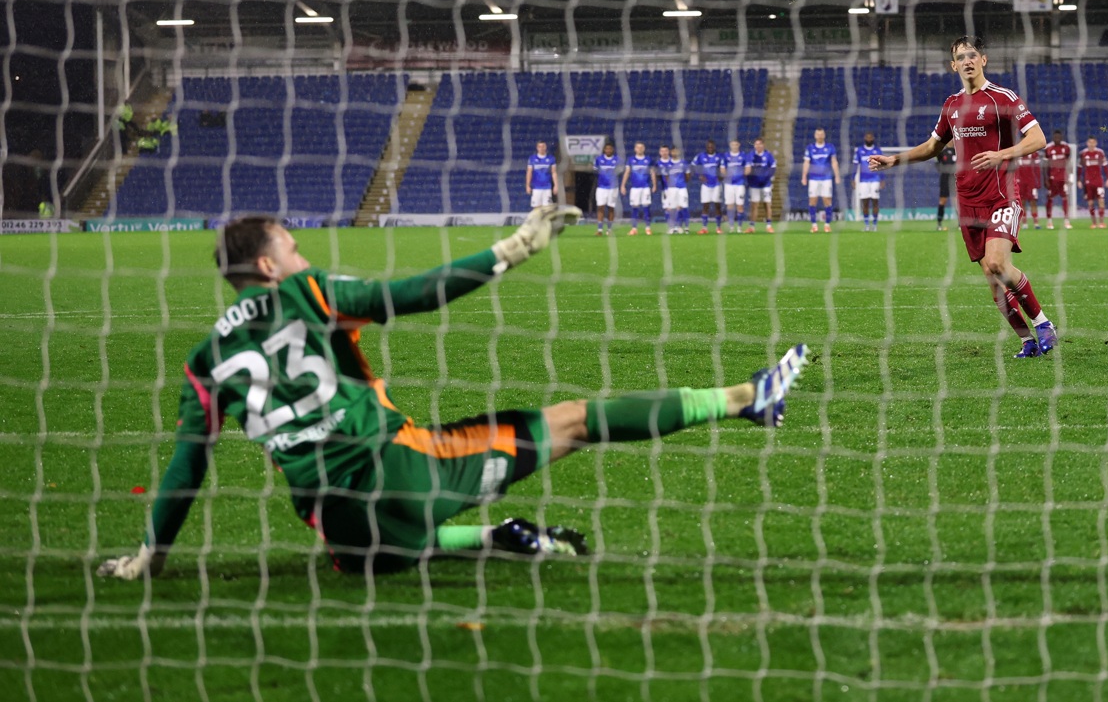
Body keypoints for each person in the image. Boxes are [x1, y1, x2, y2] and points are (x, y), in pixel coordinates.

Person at [96, 210, 808, 579]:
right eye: (293, 246)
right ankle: (745, 397)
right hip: (399, 468)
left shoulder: (204, 359)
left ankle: (495, 538)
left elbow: (186, 465)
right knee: (571, 421)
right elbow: (406, 293)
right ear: (267, 263)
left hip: (338, 526)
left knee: (367, 548)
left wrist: (151, 557)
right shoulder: (306, 294)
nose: (303, 255)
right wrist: (510, 250)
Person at [869, 36, 1057, 359]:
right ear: (952, 65)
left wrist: (1003, 155)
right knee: (992, 280)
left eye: (973, 55)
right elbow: (932, 148)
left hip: (1001, 196)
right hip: (968, 203)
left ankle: (1042, 323)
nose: (967, 60)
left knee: (998, 263)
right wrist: (893, 159)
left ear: (983, 60)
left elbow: (1038, 138)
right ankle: (1027, 341)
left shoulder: (1003, 98)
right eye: (961, 56)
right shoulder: (951, 106)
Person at [801, 128, 840, 233]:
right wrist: (804, 176)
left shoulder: (830, 147)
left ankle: (827, 225)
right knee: (812, 201)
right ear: (815, 136)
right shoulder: (810, 148)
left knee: (827, 201)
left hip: (826, 179)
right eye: (818, 134)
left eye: (821, 134)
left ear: (824, 135)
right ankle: (814, 225)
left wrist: (837, 176)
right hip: (813, 179)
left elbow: (834, 162)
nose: (819, 136)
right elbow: (806, 163)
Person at [622, 141, 656, 236]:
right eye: (638, 147)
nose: (640, 149)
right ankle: (634, 228)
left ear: (644, 148)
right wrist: (623, 185)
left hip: (645, 187)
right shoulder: (631, 160)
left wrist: (654, 185)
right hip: (635, 188)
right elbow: (627, 172)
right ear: (635, 149)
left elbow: (652, 173)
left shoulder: (648, 160)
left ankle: (648, 228)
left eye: (641, 147)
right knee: (634, 207)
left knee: (646, 207)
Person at [691, 140, 725, 235]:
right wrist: (699, 175)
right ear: (706, 147)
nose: (710, 148)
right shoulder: (700, 156)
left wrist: (721, 176)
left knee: (717, 206)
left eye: (712, 146)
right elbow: (693, 166)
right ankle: (704, 228)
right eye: (708, 146)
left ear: (714, 147)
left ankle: (718, 227)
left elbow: (723, 169)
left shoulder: (719, 157)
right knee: (705, 205)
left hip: (717, 184)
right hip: (706, 185)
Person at [853, 132, 883, 232]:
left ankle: (874, 225)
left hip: (875, 180)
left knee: (875, 202)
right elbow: (855, 166)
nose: (869, 139)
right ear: (864, 138)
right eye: (867, 137)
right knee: (864, 203)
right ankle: (866, 225)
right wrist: (853, 179)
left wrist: (882, 179)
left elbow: (882, 165)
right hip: (863, 181)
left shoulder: (877, 150)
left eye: (871, 137)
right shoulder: (859, 151)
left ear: (873, 138)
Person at [1078, 137, 1108, 229]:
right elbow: (1080, 168)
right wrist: (1079, 180)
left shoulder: (1100, 153)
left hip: (1099, 181)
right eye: (1090, 142)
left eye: (1093, 142)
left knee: (1101, 201)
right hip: (1088, 181)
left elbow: (1105, 166)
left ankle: (1101, 222)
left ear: (1096, 143)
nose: (1091, 144)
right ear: (1087, 143)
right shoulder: (1083, 154)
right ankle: (1094, 223)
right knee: (1090, 202)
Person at [657, 145, 690, 235]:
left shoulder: (684, 163)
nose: (675, 153)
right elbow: (666, 177)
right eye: (673, 151)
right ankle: (672, 227)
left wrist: (682, 183)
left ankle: (682, 227)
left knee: (682, 206)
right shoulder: (667, 165)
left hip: (682, 188)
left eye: (677, 151)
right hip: (671, 189)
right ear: (671, 153)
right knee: (671, 208)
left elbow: (687, 176)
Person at [1044, 129, 1073, 230]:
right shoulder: (1048, 148)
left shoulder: (1066, 148)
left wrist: (1070, 176)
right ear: (1053, 138)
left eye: (1058, 137)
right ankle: (1049, 221)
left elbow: (1069, 163)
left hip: (1063, 179)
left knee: (1065, 198)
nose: (1057, 139)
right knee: (1050, 199)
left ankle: (1066, 220)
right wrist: (1046, 179)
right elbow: (1045, 165)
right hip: (1052, 179)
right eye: (1055, 137)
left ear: (1061, 138)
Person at [747, 138, 776, 234]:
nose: (758, 146)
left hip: (766, 184)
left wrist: (767, 178)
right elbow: (748, 169)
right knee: (754, 205)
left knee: (767, 204)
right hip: (754, 184)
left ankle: (769, 226)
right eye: (756, 144)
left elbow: (773, 168)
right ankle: (751, 227)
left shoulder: (768, 155)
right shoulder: (751, 155)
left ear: (763, 145)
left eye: (759, 144)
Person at [593, 141, 620, 236]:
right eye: (606, 149)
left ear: (613, 150)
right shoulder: (598, 159)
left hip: (613, 188)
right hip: (601, 187)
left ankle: (609, 229)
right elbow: (595, 171)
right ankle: (599, 229)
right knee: (600, 207)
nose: (608, 150)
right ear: (604, 150)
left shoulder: (617, 160)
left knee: (611, 208)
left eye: (610, 149)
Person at [723, 139, 750, 234]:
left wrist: (740, 175)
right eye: (733, 144)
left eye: (736, 144)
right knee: (730, 205)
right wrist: (728, 177)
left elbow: (748, 169)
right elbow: (723, 170)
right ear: (730, 145)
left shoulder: (743, 156)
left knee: (740, 206)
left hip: (739, 184)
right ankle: (731, 226)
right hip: (729, 185)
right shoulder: (726, 156)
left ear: (739, 145)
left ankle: (739, 227)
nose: (734, 146)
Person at [1016, 149, 1043, 230]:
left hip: (1031, 183)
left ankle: (1036, 223)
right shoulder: (1017, 154)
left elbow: (1037, 169)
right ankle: (1024, 223)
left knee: (1033, 202)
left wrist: (1038, 182)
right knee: (1022, 203)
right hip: (1020, 183)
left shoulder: (1034, 154)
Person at [526, 141, 557, 209]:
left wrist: (556, 185)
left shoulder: (551, 158)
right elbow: (529, 172)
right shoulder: (532, 159)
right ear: (537, 148)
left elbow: (554, 172)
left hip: (547, 188)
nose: (541, 148)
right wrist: (527, 185)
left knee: (547, 209)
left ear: (546, 147)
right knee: (536, 209)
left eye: (543, 146)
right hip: (536, 188)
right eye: (539, 146)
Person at [935, 143, 956, 231]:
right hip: (945, 179)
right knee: (942, 201)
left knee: (957, 202)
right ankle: (939, 224)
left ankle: (961, 224)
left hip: (955, 178)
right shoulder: (942, 153)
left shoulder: (958, 152)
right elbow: (937, 163)